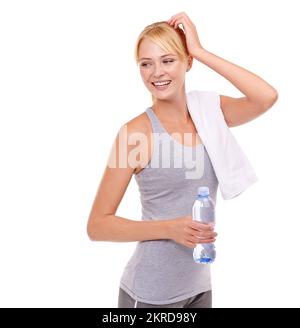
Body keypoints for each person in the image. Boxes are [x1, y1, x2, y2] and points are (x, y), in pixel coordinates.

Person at [86, 12, 278, 308]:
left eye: (168, 60)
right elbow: (97, 225)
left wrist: (200, 50)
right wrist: (168, 228)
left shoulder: (209, 113)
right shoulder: (135, 134)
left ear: (187, 62)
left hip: (200, 288)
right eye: (145, 64)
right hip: (150, 295)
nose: (156, 73)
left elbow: (265, 97)